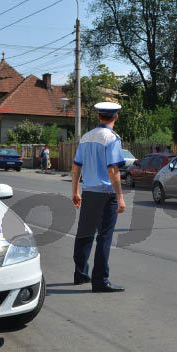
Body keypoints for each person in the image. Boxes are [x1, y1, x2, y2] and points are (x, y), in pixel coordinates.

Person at [70, 102, 127, 292]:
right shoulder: (112, 138)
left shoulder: (85, 138)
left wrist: (75, 191)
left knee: (84, 234)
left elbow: (77, 166)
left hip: (89, 192)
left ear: (98, 117)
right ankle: (100, 280)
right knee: (104, 237)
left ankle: (80, 274)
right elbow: (113, 169)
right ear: (116, 118)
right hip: (106, 194)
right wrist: (120, 196)